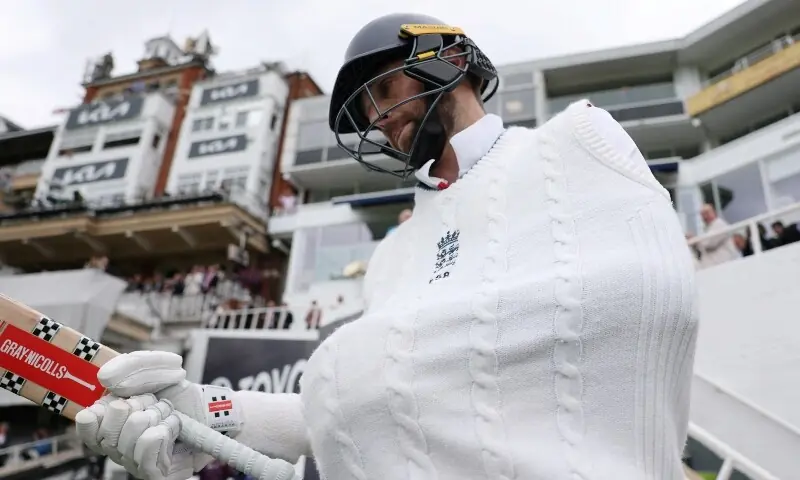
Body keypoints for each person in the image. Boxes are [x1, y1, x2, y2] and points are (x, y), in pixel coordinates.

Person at [75, 13, 698, 480]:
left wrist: (362, 368)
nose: (376, 122)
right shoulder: (395, 253)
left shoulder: (576, 140)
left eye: (380, 94)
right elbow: (365, 406)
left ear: (447, 58)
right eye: (364, 112)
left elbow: (648, 300)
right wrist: (207, 411)